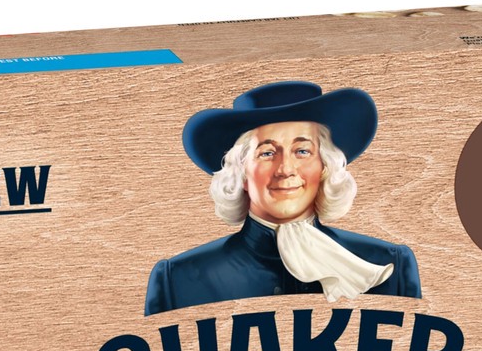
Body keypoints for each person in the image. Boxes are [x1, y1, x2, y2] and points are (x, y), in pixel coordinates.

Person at [145, 81, 421, 315]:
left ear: (324, 166)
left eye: (302, 151)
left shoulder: (388, 265)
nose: (286, 169)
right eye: (267, 153)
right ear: (241, 173)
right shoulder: (177, 280)